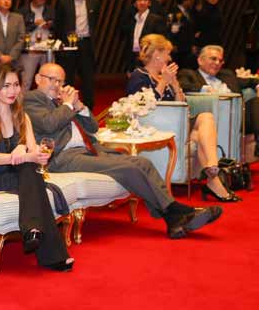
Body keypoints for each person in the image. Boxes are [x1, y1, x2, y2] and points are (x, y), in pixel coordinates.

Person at [24, 62, 222, 239]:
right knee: (128, 169)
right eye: (51, 79)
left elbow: (92, 127)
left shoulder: (63, 102)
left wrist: (80, 106)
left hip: (89, 149)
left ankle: (173, 218)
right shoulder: (32, 99)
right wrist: (68, 104)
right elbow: (49, 124)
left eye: (60, 81)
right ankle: (176, 212)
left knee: (143, 162)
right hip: (62, 157)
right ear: (38, 79)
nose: (57, 85)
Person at [0, 64, 74, 270]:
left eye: (16, 85)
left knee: (30, 170)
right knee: (31, 173)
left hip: (24, 174)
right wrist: (18, 155)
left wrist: (38, 155)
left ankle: (33, 231)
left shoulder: (22, 116)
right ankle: (50, 251)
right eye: (6, 86)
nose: (12, 91)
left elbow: (33, 150)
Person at [127, 35, 238, 202]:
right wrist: (163, 82)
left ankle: (212, 173)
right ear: (157, 54)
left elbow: (182, 104)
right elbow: (143, 107)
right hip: (156, 126)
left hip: (176, 124)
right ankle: (214, 177)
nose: (169, 58)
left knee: (204, 122)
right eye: (167, 53)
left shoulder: (164, 76)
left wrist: (174, 85)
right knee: (203, 124)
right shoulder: (139, 76)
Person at [178, 44, 259, 143]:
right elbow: (183, 86)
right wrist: (205, 89)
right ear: (200, 60)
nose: (217, 63)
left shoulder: (227, 75)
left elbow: (251, 81)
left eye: (220, 60)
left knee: (256, 101)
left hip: (238, 117)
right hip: (211, 115)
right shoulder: (189, 74)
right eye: (213, 59)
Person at [55, 0, 99, 108]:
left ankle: (89, 110)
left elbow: (95, 23)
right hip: (69, 45)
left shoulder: (93, 1)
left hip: (86, 43)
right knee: (67, 79)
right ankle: (66, 108)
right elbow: (58, 26)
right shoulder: (64, 2)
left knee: (88, 79)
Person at [16, 0, 55, 91]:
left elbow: (57, 27)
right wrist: (34, 24)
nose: (42, 2)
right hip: (30, 49)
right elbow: (19, 31)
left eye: (44, 0)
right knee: (26, 80)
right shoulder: (23, 11)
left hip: (47, 48)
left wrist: (50, 25)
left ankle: (47, 100)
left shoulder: (50, 10)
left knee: (50, 78)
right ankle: (22, 102)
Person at [120, 0, 168, 71]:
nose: (141, 3)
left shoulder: (156, 20)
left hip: (149, 61)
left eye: (144, 0)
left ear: (149, 3)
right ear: (135, 3)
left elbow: (160, 43)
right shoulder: (132, 19)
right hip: (133, 59)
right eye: (139, 0)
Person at [168, 0, 197, 69]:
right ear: (184, 0)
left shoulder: (187, 12)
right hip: (177, 46)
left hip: (186, 46)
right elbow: (171, 30)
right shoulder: (174, 11)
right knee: (176, 67)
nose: (190, 2)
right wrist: (173, 44)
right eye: (189, 0)